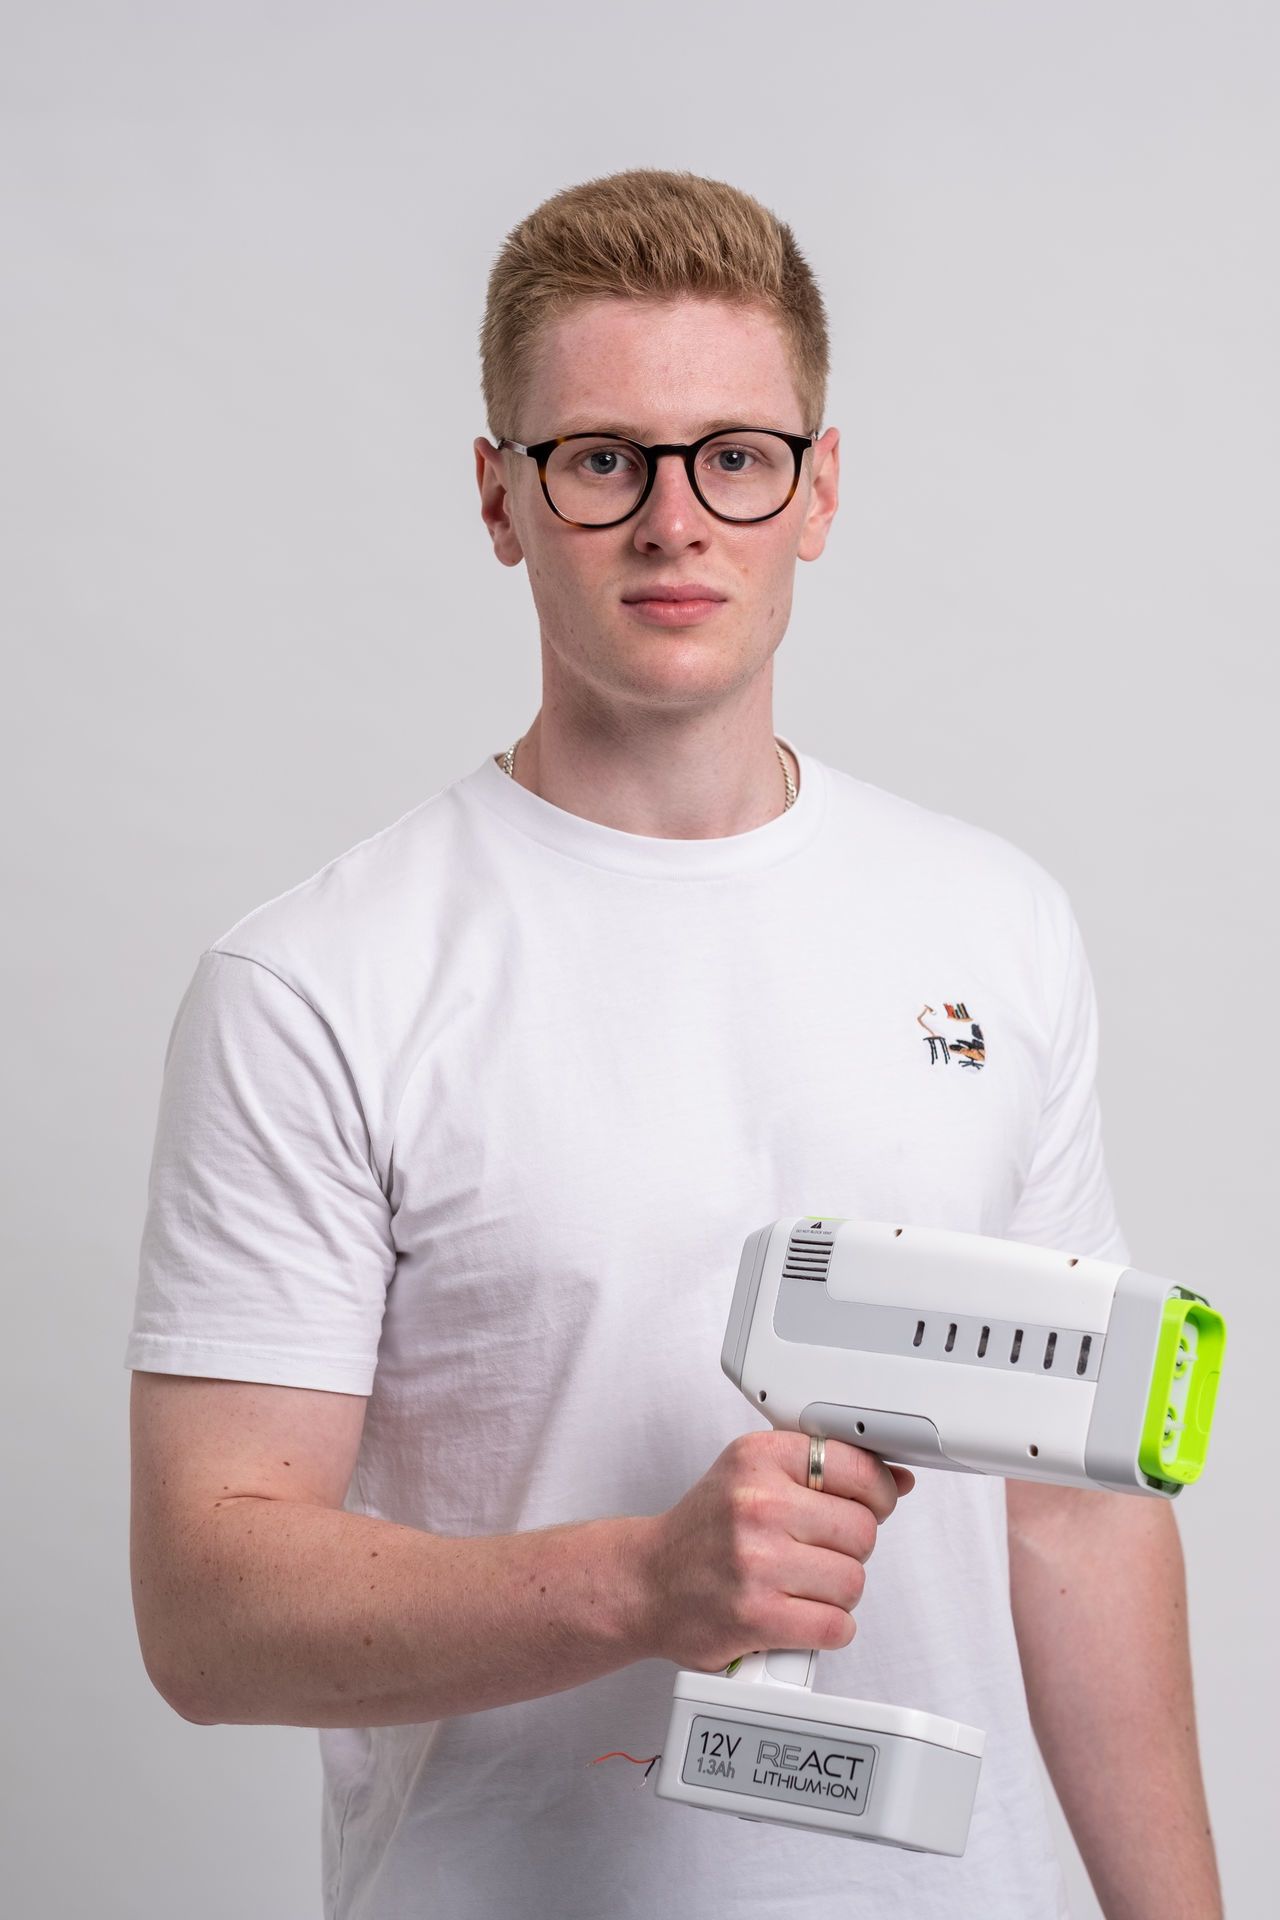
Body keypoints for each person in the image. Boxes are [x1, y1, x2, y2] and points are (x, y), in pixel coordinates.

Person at [126, 169, 1222, 1919]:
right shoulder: (321, 980)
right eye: (600, 457)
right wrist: (643, 1582)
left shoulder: (994, 926)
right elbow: (205, 1606)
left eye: (736, 453)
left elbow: (1071, 1514)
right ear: (501, 496)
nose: (674, 518)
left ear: (820, 488)